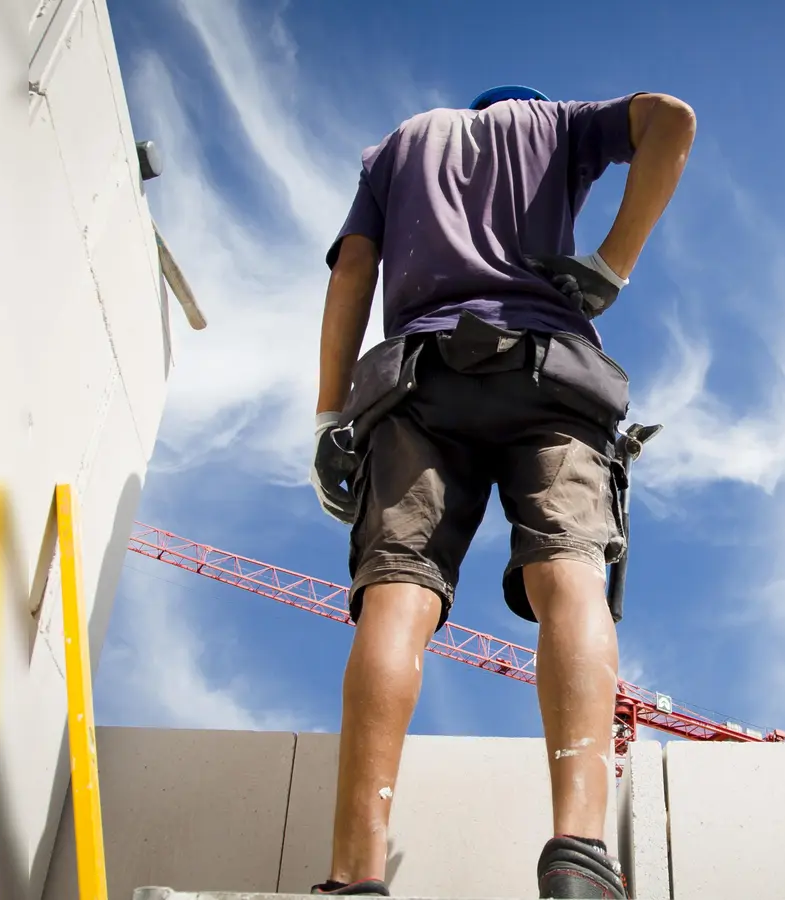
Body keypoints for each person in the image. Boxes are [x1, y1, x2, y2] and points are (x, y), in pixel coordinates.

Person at [306, 84, 696, 897]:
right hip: (550, 376)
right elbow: (673, 121)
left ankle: (355, 873)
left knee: (396, 597)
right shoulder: (556, 123)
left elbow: (353, 266)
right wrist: (609, 267)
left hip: (418, 385)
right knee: (570, 576)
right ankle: (579, 854)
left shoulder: (402, 143)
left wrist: (327, 418)